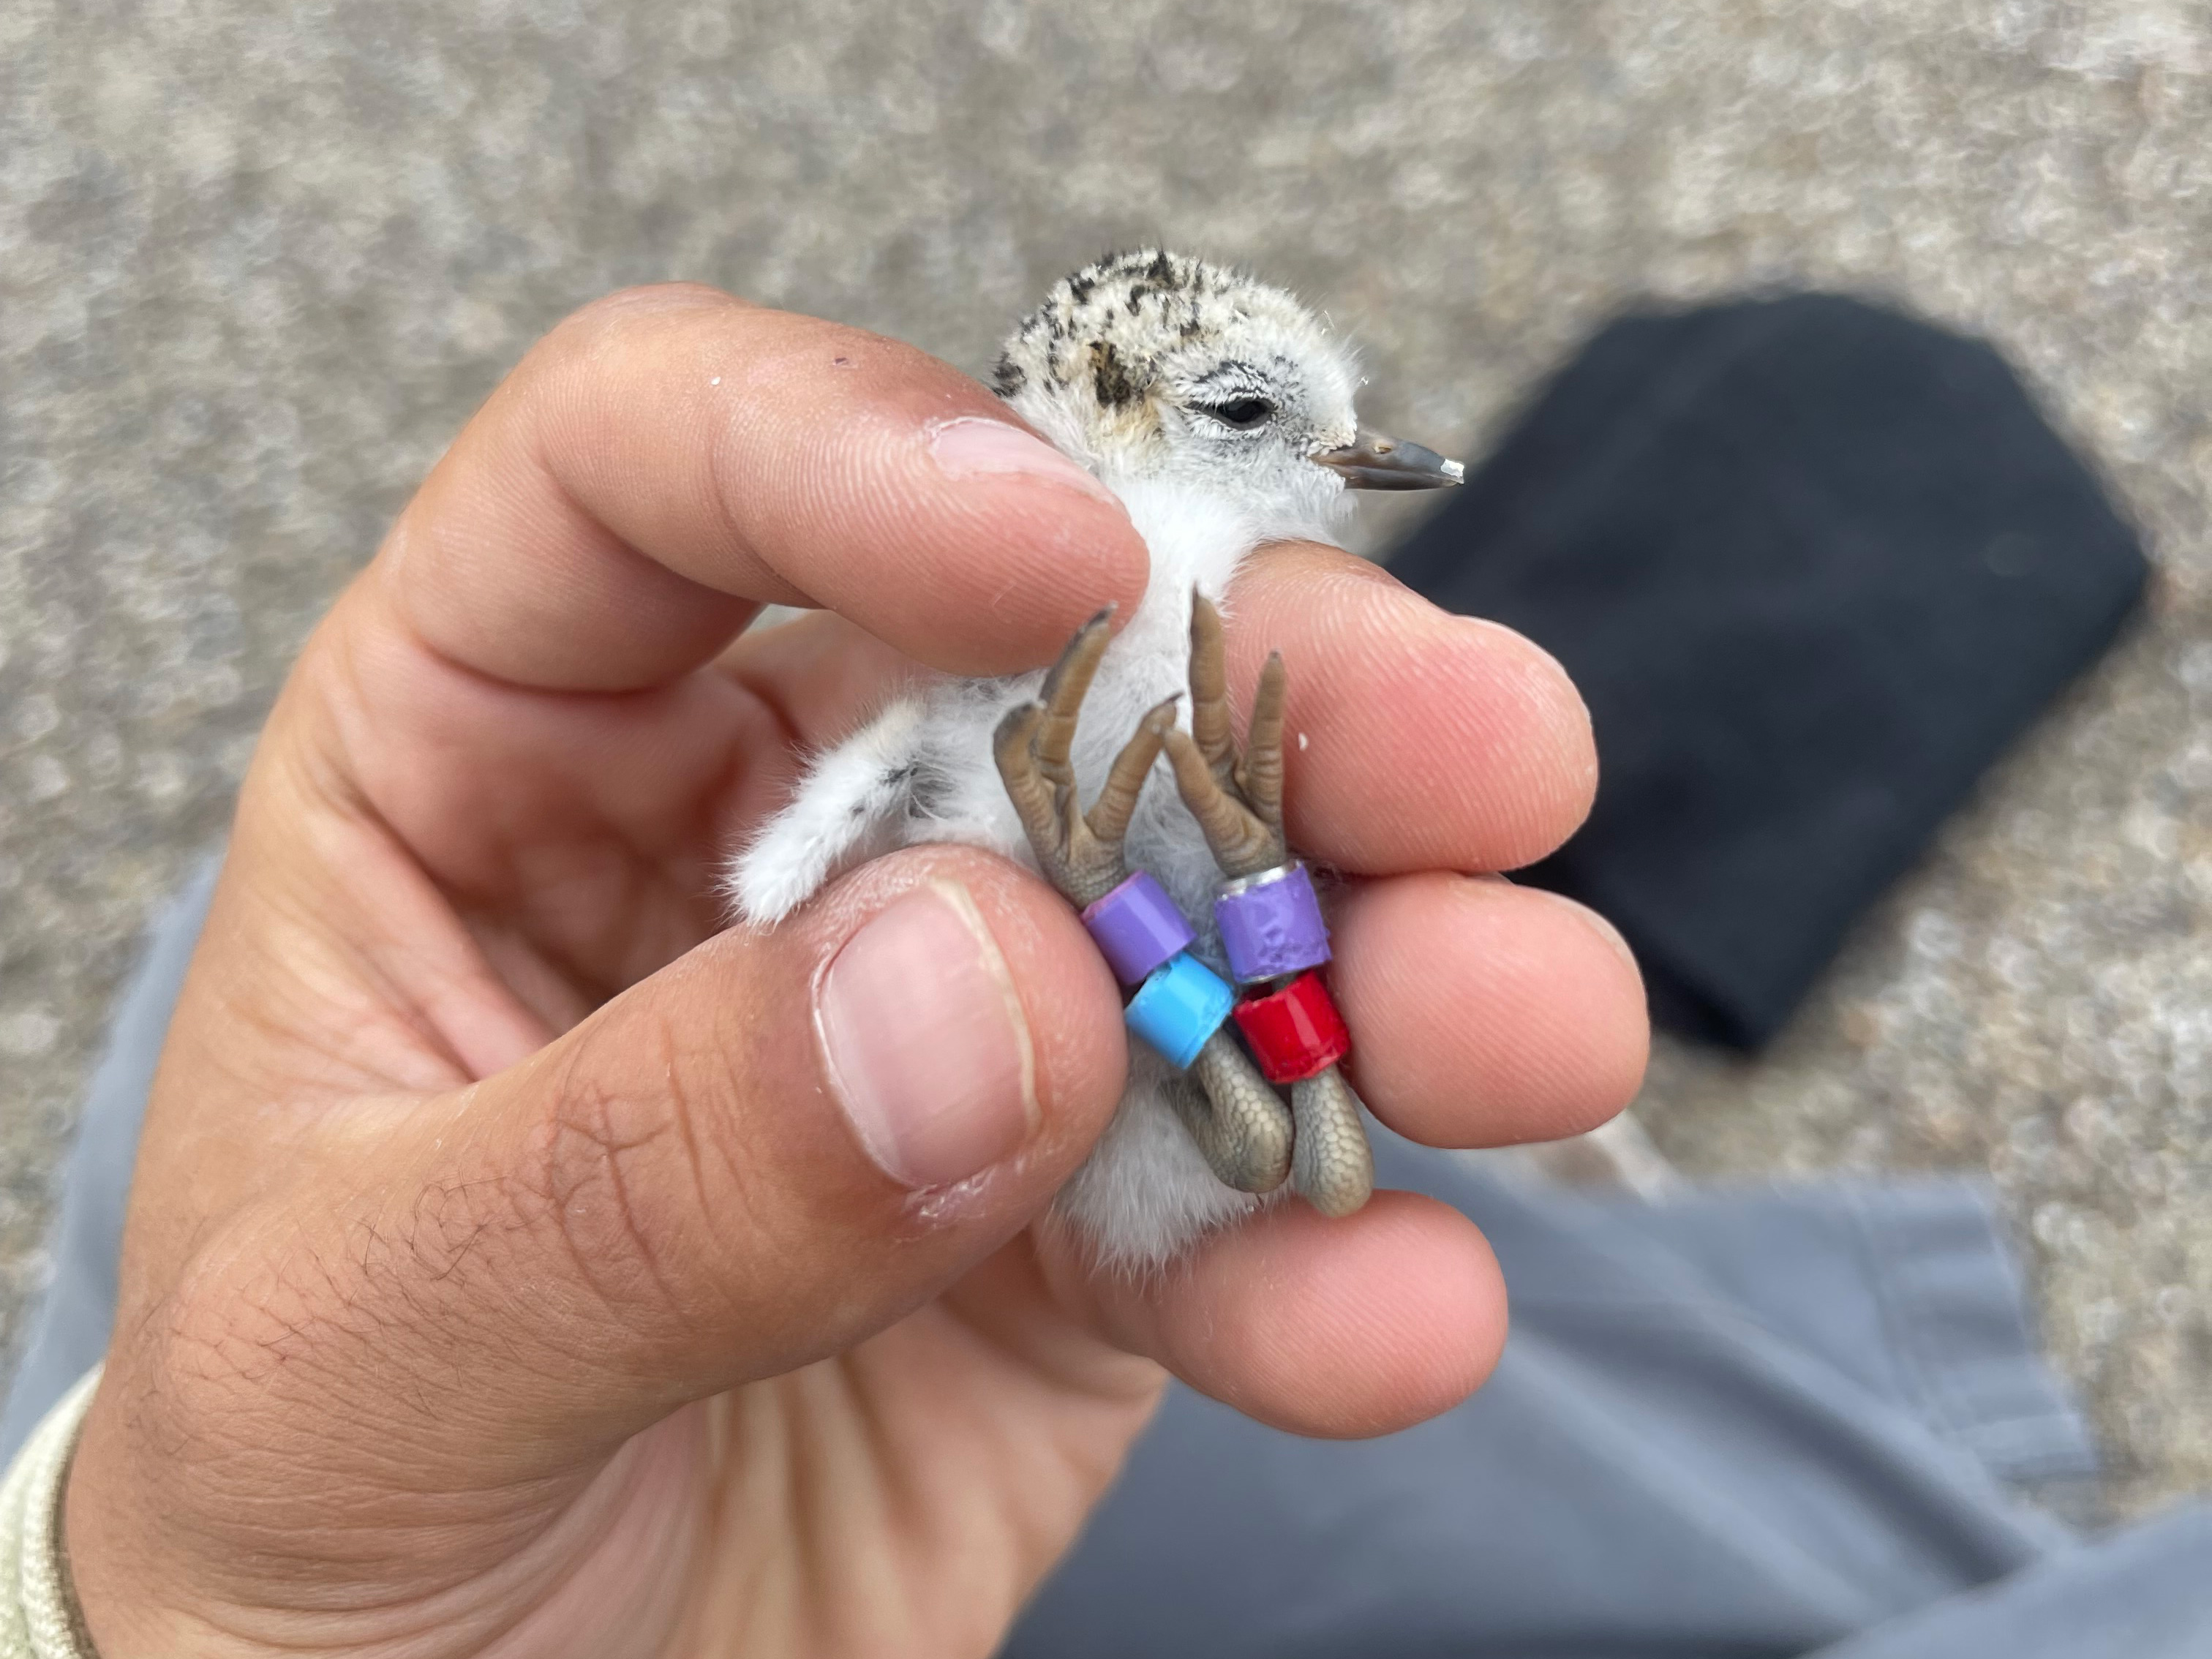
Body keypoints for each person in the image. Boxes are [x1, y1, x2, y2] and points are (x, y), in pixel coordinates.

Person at [0, 285, 1647, 1656]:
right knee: (1308, 1129)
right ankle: (1229, 1012)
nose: (1349, 460)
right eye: (1245, 419)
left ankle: (1209, 995)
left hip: (1106, 1064)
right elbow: (797, 868)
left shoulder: (1115, 620)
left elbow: (807, 850)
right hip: (1094, 1064)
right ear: (1103, 426)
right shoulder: (1043, 614)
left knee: (1306, 1120)